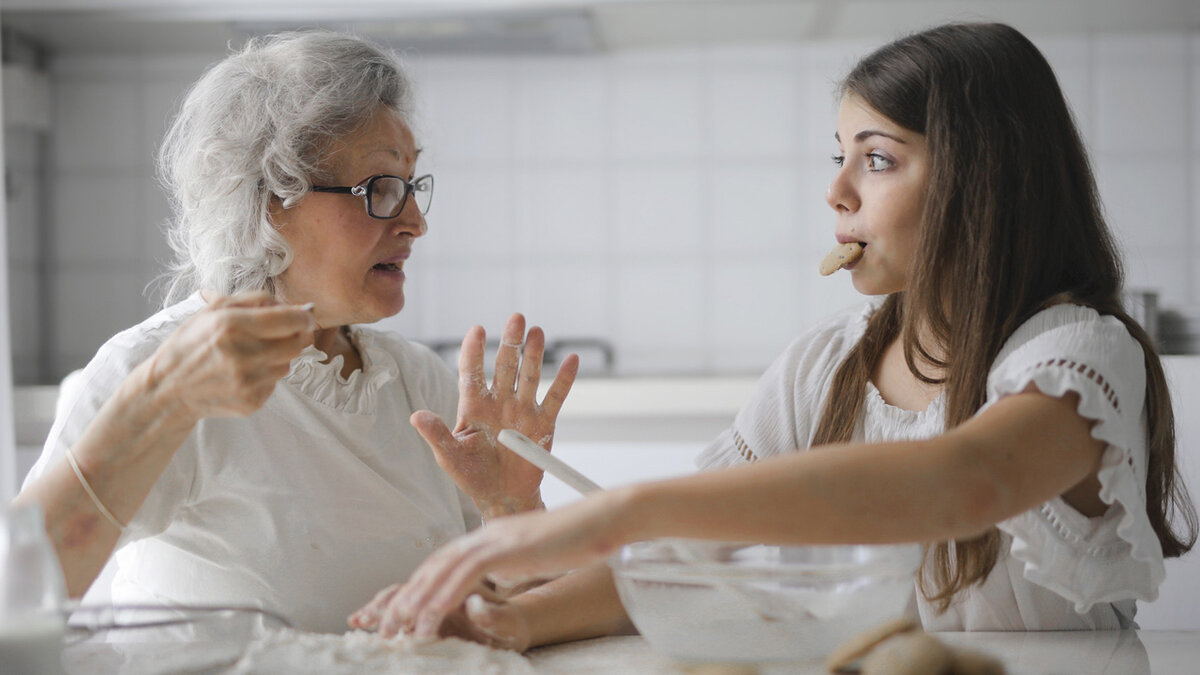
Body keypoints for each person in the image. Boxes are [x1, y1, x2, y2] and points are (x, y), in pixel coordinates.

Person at [350, 22, 1198, 645]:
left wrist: (625, 507)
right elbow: (684, 558)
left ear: (984, 181)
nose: (836, 192)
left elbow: (967, 480)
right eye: (838, 155)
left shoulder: (1079, 355)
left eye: (877, 158)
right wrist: (516, 618)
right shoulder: (825, 365)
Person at [13, 31, 577, 634]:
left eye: (412, 187)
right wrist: (160, 402)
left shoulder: (417, 383)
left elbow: (506, 617)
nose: (416, 221)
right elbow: (16, 594)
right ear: (267, 201)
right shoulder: (153, 367)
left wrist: (511, 510)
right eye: (380, 189)